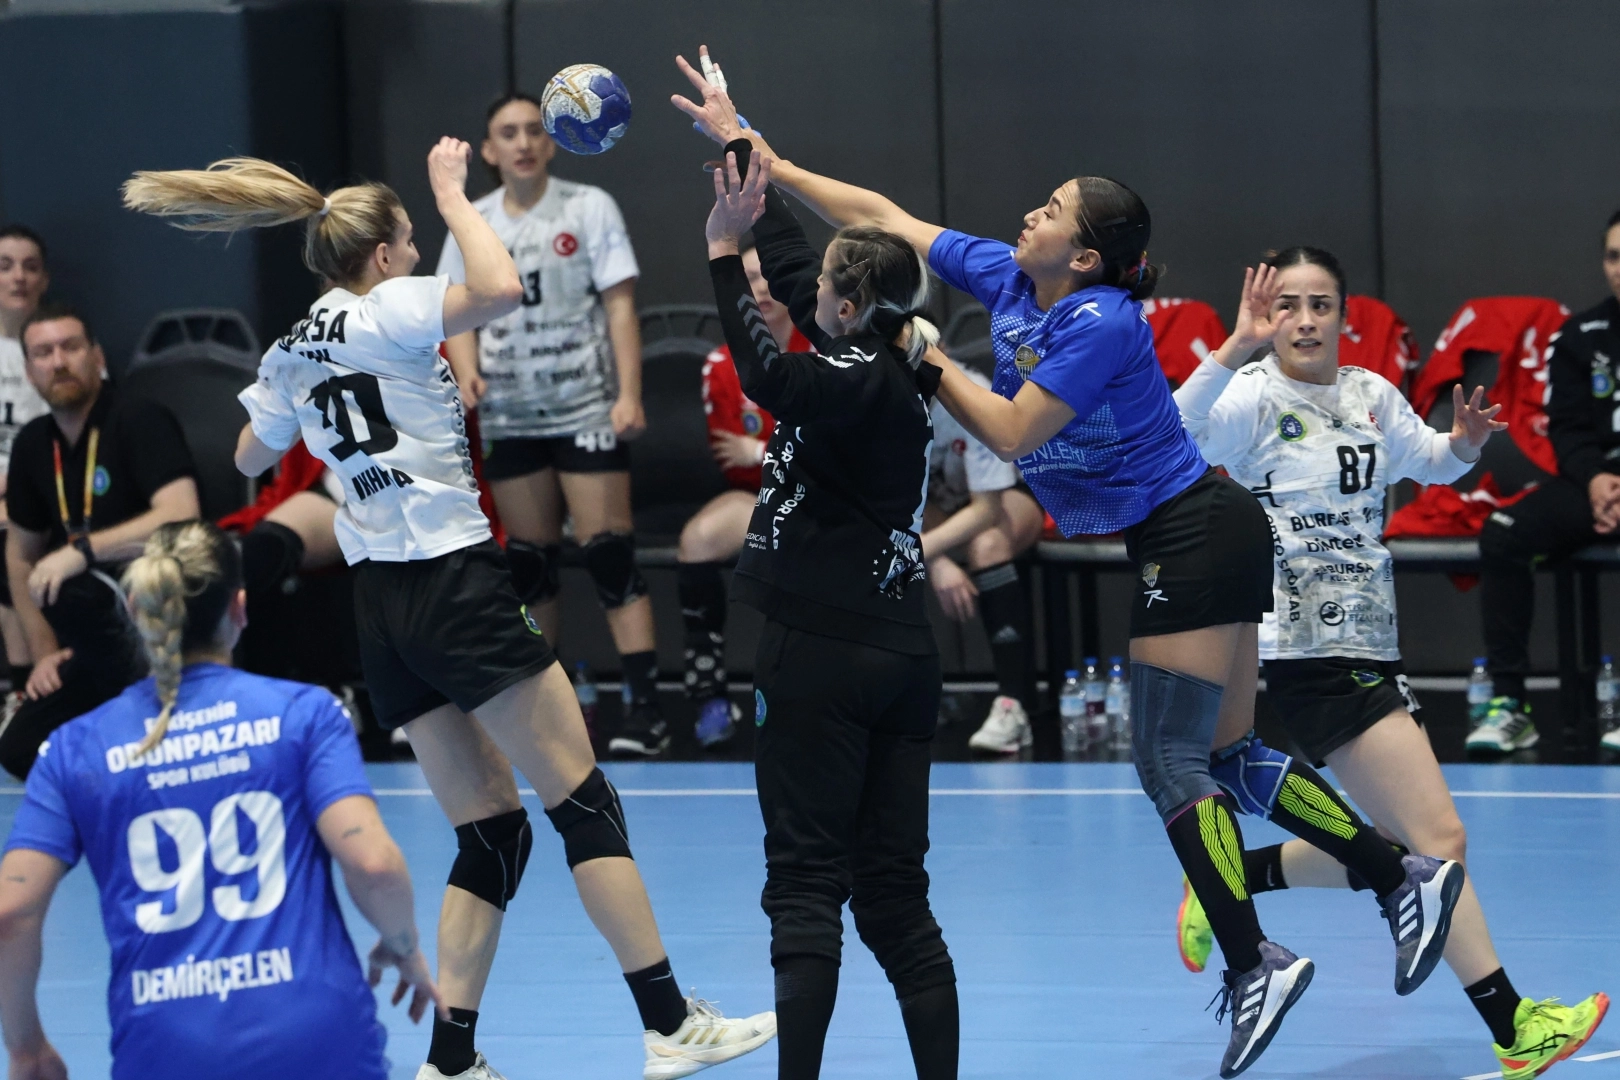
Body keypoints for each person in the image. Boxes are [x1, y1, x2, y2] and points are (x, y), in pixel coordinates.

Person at [673, 46, 1464, 1077]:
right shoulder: (1011, 276)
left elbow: (1010, 432)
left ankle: (1255, 959)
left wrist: (921, 350)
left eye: (1050, 210)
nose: (1029, 214)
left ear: (1085, 256)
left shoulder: (1100, 320)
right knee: (1226, 758)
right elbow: (885, 217)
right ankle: (1399, 877)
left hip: (1193, 531)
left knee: (1168, 763)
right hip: (1194, 533)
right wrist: (761, 153)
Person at [123, 141, 775, 1080]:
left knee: (493, 832)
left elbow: (248, 459)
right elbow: (502, 288)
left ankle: (453, 1060)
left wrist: (312, 411)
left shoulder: (294, 344)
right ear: (384, 253)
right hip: (453, 580)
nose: (420, 249)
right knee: (584, 802)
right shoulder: (389, 307)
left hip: (381, 607)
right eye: (411, 238)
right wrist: (452, 197)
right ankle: (671, 1024)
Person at [1173, 248, 1609, 1080]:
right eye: (1289, 305)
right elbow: (1176, 429)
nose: (1305, 321)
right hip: (1307, 647)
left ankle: (1236, 879)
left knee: (1396, 842)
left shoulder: (1369, 393)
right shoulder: (1252, 395)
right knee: (1438, 841)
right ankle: (1516, 1026)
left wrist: (1465, 444)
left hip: (1373, 640)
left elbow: (1430, 461)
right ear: (1268, 314)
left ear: (1344, 316)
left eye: (1321, 305)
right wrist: (1234, 346)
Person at [0, 520, 443, 1080]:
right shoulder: (303, 714)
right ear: (239, 608)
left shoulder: (76, 748)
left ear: (134, 608)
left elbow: (11, 912)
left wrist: (26, 1047)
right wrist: (402, 944)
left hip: (167, 1049)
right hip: (316, 1038)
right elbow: (373, 864)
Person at [702, 141, 959, 1080]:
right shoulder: (887, 353)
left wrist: (722, 251)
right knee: (893, 897)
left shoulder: (855, 375)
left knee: (805, 884)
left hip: (823, 648)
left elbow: (771, 379)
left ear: (848, 309)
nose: (804, 288)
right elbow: (802, 266)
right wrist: (739, 149)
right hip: (901, 652)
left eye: (823, 289)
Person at [437, 92, 668, 758]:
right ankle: (550, 717)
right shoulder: (474, 219)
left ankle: (647, 710)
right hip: (510, 412)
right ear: (488, 150)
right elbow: (455, 305)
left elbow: (620, 306)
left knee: (609, 555)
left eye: (534, 131)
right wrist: (466, 372)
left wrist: (629, 395)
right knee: (531, 565)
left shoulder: (589, 207)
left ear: (553, 141)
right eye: (508, 133)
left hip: (584, 405)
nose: (523, 143)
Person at [1, 303, 200, 779]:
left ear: (97, 356)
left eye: (70, 347)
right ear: (28, 371)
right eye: (43, 353)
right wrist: (44, 656)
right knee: (21, 751)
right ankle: (126, 742)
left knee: (74, 587)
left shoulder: (139, 418)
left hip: (155, 612)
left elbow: (181, 515)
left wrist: (83, 551)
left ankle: (151, 718)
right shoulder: (33, 443)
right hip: (89, 638)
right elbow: (21, 556)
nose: (58, 362)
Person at [1472, 210, 1620, 756]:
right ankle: (1510, 705)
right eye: (1613, 256)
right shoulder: (1581, 335)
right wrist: (1597, 479)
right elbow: (1568, 428)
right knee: (1504, 531)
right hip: (1594, 483)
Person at [678, 233, 811, 748]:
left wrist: (760, 450)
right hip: (758, 494)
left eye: (770, 277)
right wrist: (776, 450)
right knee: (697, 539)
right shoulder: (720, 365)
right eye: (750, 278)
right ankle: (709, 695)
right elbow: (730, 458)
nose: (762, 289)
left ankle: (810, 697)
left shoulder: (825, 351)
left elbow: (829, 445)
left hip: (822, 490)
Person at [918, 361, 1044, 754]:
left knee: (987, 544)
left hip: (1004, 498)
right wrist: (937, 562)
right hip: (932, 512)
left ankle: (1013, 705)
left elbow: (987, 510)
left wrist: (918, 552)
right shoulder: (875, 393)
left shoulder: (971, 392)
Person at [0, 226, 54, 689]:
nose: (18, 277)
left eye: (30, 267)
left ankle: (22, 685)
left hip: (41, 494)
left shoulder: (57, 346)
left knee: (11, 539)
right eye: (5, 266)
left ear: (44, 280)